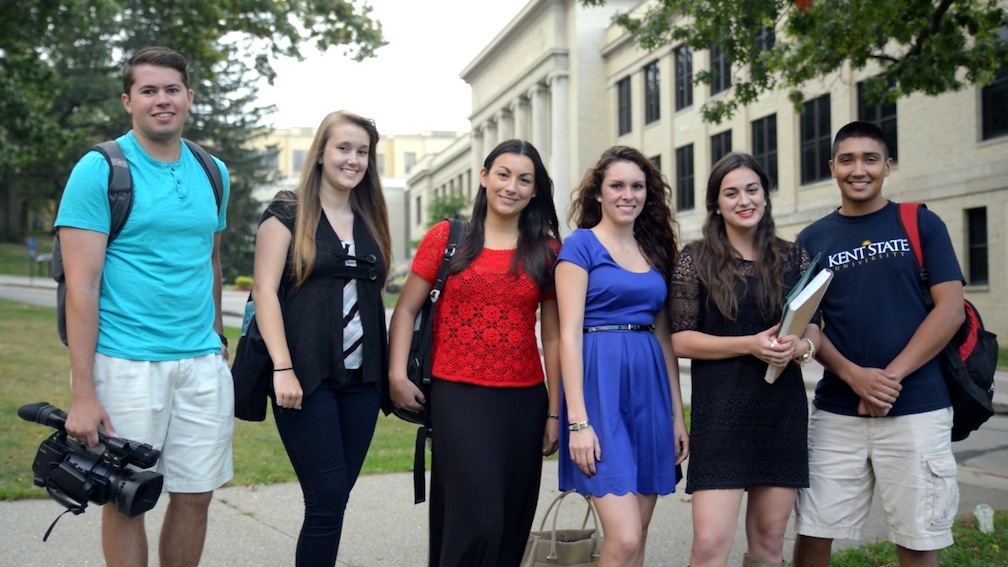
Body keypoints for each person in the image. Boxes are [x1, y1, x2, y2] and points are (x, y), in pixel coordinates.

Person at [56, 46, 232, 567]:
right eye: (149, 91)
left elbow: (212, 263)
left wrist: (217, 337)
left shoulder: (213, 170)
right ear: (128, 101)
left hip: (200, 363)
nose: (162, 100)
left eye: (171, 90)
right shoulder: (99, 169)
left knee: (196, 496)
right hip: (125, 363)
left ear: (189, 98)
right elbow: (82, 289)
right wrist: (84, 393)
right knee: (126, 499)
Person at [792, 121, 964, 567]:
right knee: (813, 533)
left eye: (870, 159)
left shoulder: (921, 222)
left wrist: (887, 380)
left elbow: (950, 310)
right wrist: (853, 376)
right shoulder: (813, 240)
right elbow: (804, 323)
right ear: (832, 168)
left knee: (918, 540)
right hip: (837, 412)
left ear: (888, 166)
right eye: (847, 160)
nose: (858, 169)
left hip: (917, 407)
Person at [388, 139, 562, 567]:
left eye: (525, 180)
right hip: (458, 396)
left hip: (524, 400)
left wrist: (556, 411)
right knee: (478, 520)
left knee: (510, 522)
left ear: (535, 190)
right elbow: (406, 308)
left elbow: (555, 338)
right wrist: (396, 374)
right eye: (503, 174)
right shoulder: (448, 238)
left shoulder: (547, 250)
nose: (512, 187)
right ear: (484, 178)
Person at [251, 110, 392, 566]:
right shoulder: (287, 214)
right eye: (343, 148)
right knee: (327, 500)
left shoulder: (370, 218)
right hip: (307, 379)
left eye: (362, 152)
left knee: (334, 501)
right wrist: (283, 368)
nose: (353, 159)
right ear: (321, 154)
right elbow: (265, 294)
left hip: (362, 383)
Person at [668, 152, 820, 567]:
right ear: (716, 204)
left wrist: (801, 349)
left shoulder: (794, 257)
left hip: (780, 412)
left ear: (765, 196)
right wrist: (748, 344)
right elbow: (680, 339)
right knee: (710, 544)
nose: (744, 200)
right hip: (721, 415)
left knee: (770, 544)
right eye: (731, 193)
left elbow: (813, 328)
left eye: (752, 190)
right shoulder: (694, 259)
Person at [556, 145, 688, 567]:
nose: (627, 195)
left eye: (637, 186)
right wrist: (578, 422)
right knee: (625, 538)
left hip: (649, 394)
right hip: (599, 392)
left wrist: (677, 416)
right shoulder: (580, 246)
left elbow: (665, 338)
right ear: (598, 193)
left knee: (639, 537)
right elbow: (569, 336)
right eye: (616, 186)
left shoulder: (656, 252)